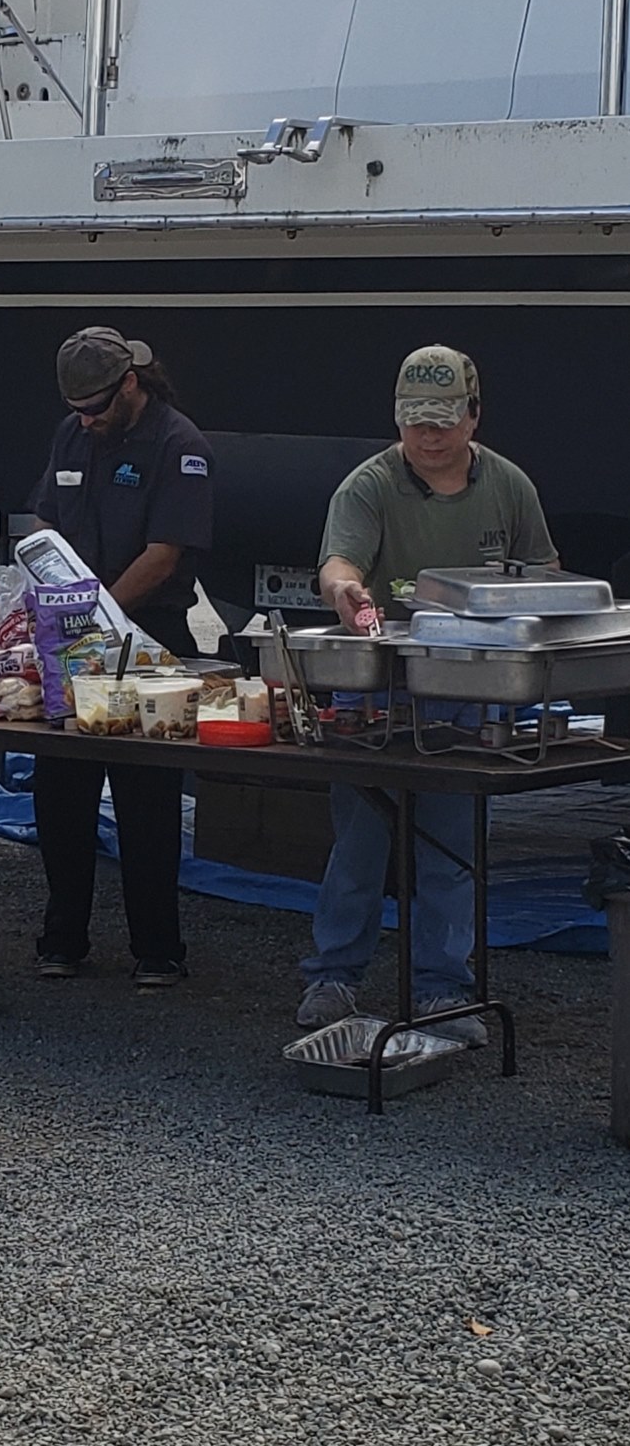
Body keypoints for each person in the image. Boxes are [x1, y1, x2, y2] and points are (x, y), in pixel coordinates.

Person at [296, 345, 555, 1046]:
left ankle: (445, 987)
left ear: (473, 416)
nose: (429, 435)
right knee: (360, 842)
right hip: (381, 686)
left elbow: (545, 574)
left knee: (452, 846)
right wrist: (345, 590)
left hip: (472, 686)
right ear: (397, 419)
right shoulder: (368, 485)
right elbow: (338, 562)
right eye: (416, 422)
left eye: (443, 421)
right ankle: (333, 976)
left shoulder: (509, 485)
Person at [28, 327, 212, 987]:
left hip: (149, 638)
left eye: (96, 408)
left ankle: (158, 949)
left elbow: (163, 556)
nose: (87, 420)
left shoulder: (179, 446)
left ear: (130, 383)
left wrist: (96, 615)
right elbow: (45, 520)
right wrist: (49, 592)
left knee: (147, 803)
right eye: (76, 410)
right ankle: (62, 938)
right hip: (73, 640)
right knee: (60, 793)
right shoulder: (72, 434)